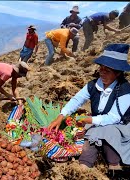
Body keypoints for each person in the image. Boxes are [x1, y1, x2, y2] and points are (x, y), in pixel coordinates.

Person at [48, 44, 130, 179]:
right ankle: (83, 169)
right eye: (101, 69)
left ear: (118, 73)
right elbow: (77, 100)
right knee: (93, 135)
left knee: (103, 133)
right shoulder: (93, 85)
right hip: (99, 126)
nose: (102, 73)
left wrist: (88, 120)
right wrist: (61, 116)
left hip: (121, 127)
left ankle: (115, 169)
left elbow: (113, 118)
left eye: (107, 71)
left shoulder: (125, 90)